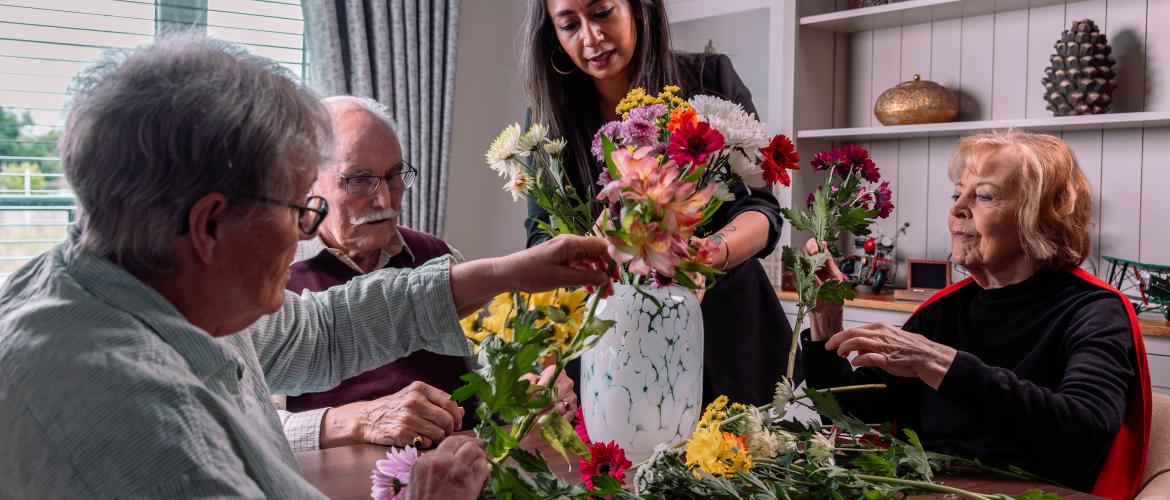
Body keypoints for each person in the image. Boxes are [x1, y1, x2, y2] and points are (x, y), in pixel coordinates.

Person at [0, 35, 610, 498]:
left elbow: (326, 327)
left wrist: (511, 272)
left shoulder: (154, 280)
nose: (306, 228)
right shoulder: (134, 423)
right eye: (297, 205)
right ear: (210, 225)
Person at [801, 130, 1151, 498]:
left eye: (984, 195)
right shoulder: (944, 311)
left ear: (1043, 215)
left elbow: (1084, 433)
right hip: (927, 487)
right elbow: (849, 413)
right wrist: (826, 322)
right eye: (957, 194)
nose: (957, 209)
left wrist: (937, 363)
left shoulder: (1094, 310)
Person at [518, 0, 795, 406]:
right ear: (554, 37)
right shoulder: (548, 121)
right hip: (613, 348)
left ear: (638, 9)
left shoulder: (709, 79)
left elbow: (760, 209)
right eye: (569, 25)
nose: (591, 38)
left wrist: (708, 253)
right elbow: (539, 244)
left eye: (602, 13)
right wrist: (595, 243)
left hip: (726, 337)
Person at [276, 95, 577, 452]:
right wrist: (357, 419)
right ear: (308, 182)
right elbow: (252, 422)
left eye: (394, 177)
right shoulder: (275, 275)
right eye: (359, 180)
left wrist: (522, 391)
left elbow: (486, 376)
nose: (385, 201)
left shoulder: (439, 257)